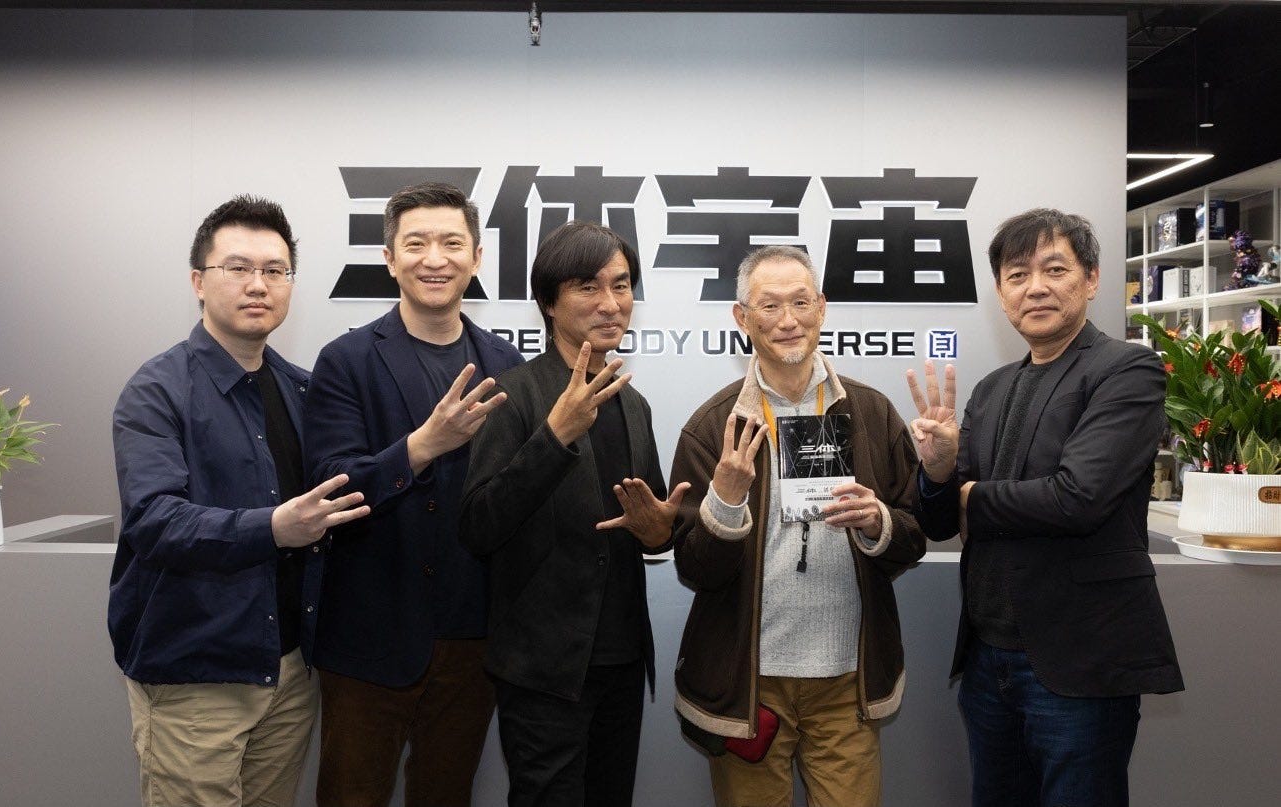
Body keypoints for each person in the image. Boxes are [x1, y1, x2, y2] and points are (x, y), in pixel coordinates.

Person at [907, 208, 1184, 807]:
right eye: (1016, 274)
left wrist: (968, 496)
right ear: (1001, 294)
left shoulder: (1125, 370)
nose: (1035, 287)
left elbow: (1076, 498)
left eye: (1054, 269)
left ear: (1091, 279)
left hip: (1078, 663)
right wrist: (936, 470)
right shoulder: (991, 389)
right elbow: (935, 523)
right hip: (987, 660)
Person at [110, 195, 369, 807]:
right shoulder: (157, 390)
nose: (259, 285)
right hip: (198, 676)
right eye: (238, 268)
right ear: (199, 282)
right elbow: (154, 520)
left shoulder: (305, 389)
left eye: (275, 271)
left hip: (289, 673)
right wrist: (274, 527)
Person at [670, 245, 926, 807]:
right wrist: (727, 502)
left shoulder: (871, 412)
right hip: (750, 681)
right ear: (743, 319)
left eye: (801, 302)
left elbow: (913, 536)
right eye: (769, 306)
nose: (788, 321)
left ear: (823, 308)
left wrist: (877, 521)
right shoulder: (714, 426)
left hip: (846, 679)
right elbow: (694, 568)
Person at [303, 182, 523, 807]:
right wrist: (422, 445)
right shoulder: (346, 360)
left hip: (471, 638)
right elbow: (330, 490)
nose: (436, 258)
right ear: (389, 259)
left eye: (452, 243)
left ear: (477, 257)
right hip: (369, 637)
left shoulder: (505, 363)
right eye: (416, 243)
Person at [460, 221, 689, 807]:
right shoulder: (513, 395)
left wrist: (659, 528)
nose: (611, 304)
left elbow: (656, 528)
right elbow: (479, 527)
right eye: (589, 287)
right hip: (543, 672)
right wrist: (554, 438)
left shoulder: (632, 404)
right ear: (549, 301)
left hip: (622, 660)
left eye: (622, 285)